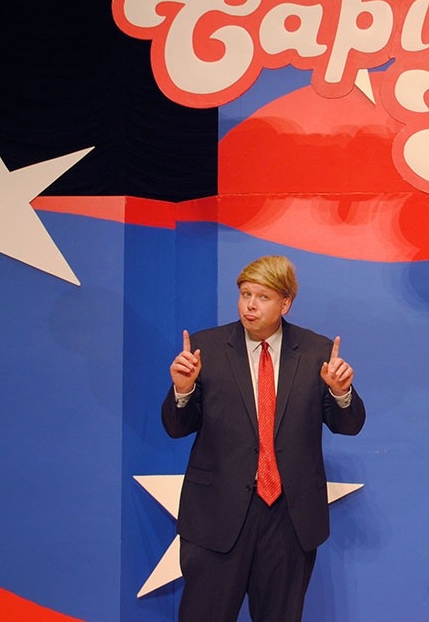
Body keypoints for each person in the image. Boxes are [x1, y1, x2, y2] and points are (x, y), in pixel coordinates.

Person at [162, 254, 366, 622]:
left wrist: (340, 393)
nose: (250, 305)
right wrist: (182, 389)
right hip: (216, 517)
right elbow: (177, 427)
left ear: (285, 303)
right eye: (245, 294)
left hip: (288, 519)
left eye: (263, 296)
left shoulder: (316, 351)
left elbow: (349, 425)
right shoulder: (205, 349)